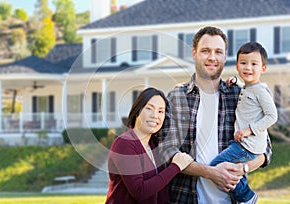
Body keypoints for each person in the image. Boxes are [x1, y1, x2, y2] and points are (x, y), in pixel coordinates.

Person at [158, 26, 273, 204]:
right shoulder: (177, 97)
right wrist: (212, 173)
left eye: (218, 52)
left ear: (225, 57)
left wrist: (243, 168)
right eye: (205, 51)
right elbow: (168, 151)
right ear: (194, 53)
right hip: (185, 198)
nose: (212, 57)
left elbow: (265, 148)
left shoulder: (239, 95)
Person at [209, 42, 278, 203]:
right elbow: (249, 98)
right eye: (243, 63)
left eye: (254, 64)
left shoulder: (261, 90)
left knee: (217, 166)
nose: (248, 68)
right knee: (233, 171)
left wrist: (249, 130)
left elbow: (271, 116)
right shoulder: (247, 88)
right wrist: (236, 83)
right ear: (237, 66)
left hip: (247, 144)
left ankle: (246, 196)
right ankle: (242, 198)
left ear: (263, 69)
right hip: (243, 143)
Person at [105, 87, 194, 204]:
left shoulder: (154, 145)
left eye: (160, 111)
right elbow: (140, 191)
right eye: (149, 109)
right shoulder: (125, 143)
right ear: (137, 111)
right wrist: (176, 166)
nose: (155, 116)